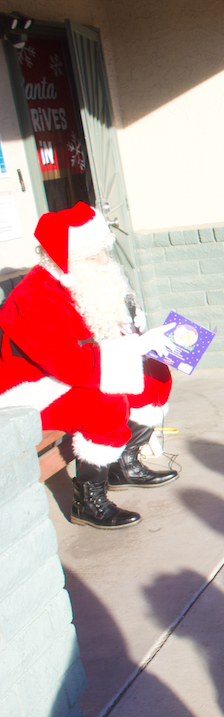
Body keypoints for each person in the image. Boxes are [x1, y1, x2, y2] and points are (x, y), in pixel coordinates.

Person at [0, 203, 180, 529]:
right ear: (63, 258)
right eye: (92, 254)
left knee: (153, 375)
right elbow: (70, 366)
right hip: (34, 386)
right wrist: (135, 346)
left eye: (104, 250)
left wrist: (137, 335)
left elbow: (100, 340)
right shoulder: (35, 297)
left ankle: (122, 465)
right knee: (104, 402)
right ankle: (87, 500)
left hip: (75, 370)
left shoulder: (84, 280)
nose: (104, 261)